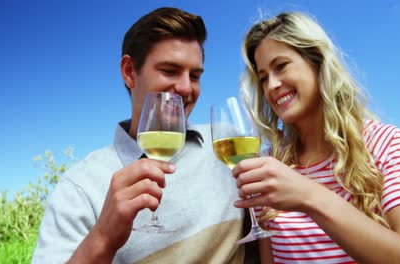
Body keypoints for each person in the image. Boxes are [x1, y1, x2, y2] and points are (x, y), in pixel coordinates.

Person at [32, 7, 248, 263]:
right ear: (129, 72)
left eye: (195, 75)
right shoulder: (80, 187)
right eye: (169, 71)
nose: (185, 87)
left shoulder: (226, 145)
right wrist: (102, 239)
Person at [233, 11, 400, 263]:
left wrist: (309, 196)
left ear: (318, 63)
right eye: (263, 78)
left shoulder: (384, 143)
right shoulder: (270, 165)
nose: (272, 85)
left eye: (281, 66)